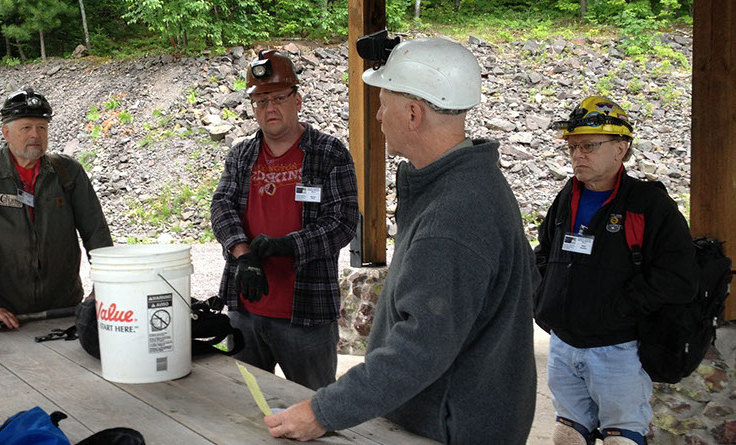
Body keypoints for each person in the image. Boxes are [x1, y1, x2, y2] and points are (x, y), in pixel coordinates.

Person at [263, 37, 538, 444]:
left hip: (450, 428)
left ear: (413, 113)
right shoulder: (466, 185)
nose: (377, 115)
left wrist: (322, 412)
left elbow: (419, 349)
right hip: (455, 417)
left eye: (383, 103)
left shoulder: (455, 212)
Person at [534, 96, 697, 445]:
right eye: (573, 147)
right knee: (568, 435)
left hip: (618, 350)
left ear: (620, 149)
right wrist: (544, 299)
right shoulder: (566, 197)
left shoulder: (649, 204)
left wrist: (621, 307)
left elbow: (680, 277)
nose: (578, 155)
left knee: (621, 437)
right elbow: (543, 254)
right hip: (563, 346)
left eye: (589, 146)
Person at [209, 50, 359, 391]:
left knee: (313, 410)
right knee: (246, 409)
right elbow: (222, 205)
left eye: (278, 98)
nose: (269, 109)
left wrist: (287, 246)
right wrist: (242, 253)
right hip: (245, 312)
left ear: (298, 100)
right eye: (260, 101)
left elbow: (343, 221)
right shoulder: (242, 154)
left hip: (306, 315)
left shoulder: (329, 153)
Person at [0, 88, 112, 330]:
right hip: (5, 315)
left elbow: (96, 234)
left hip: (65, 308)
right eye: (26, 128)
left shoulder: (67, 173)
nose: (35, 135)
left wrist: (104, 289)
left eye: (42, 128)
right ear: (6, 132)